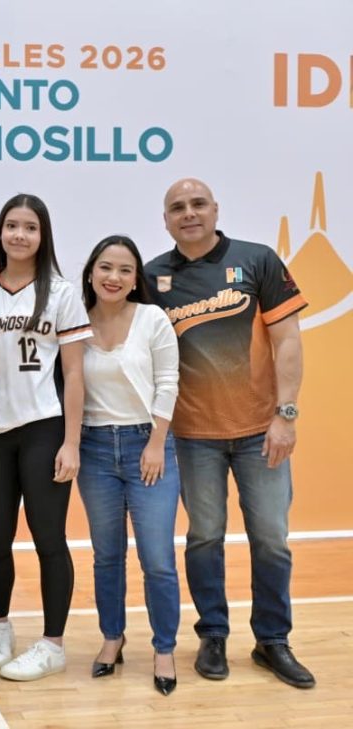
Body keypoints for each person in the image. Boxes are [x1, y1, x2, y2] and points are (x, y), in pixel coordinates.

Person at [146, 178, 315, 689]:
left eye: (198, 204)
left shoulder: (256, 260)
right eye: (178, 207)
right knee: (204, 538)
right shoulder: (152, 277)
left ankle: (272, 640)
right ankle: (213, 635)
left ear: (215, 210)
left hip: (261, 431)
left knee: (271, 539)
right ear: (166, 220)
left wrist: (286, 415)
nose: (189, 213)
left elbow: (288, 340)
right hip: (193, 435)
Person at [0, 193, 91, 681]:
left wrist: (72, 442)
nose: (19, 235)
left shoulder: (61, 293)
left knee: (49, 539)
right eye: (12, 226)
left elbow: (75, 374)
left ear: (43, 236)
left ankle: (53, 644)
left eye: (30, 227)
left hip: (44, 429)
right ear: (0, 232)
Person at [76, 235, 181, 696]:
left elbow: (168, 382)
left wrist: (156, 443)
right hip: (94, 449)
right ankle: (112, 638)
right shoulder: (76, 321)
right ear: (91, 273)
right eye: (105, 267)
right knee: (107, 555)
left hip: (147, 445)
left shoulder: (152, 319)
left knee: (157, 559)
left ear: (136, 278)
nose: (113, 277)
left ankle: (164, 648)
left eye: (124, 270)